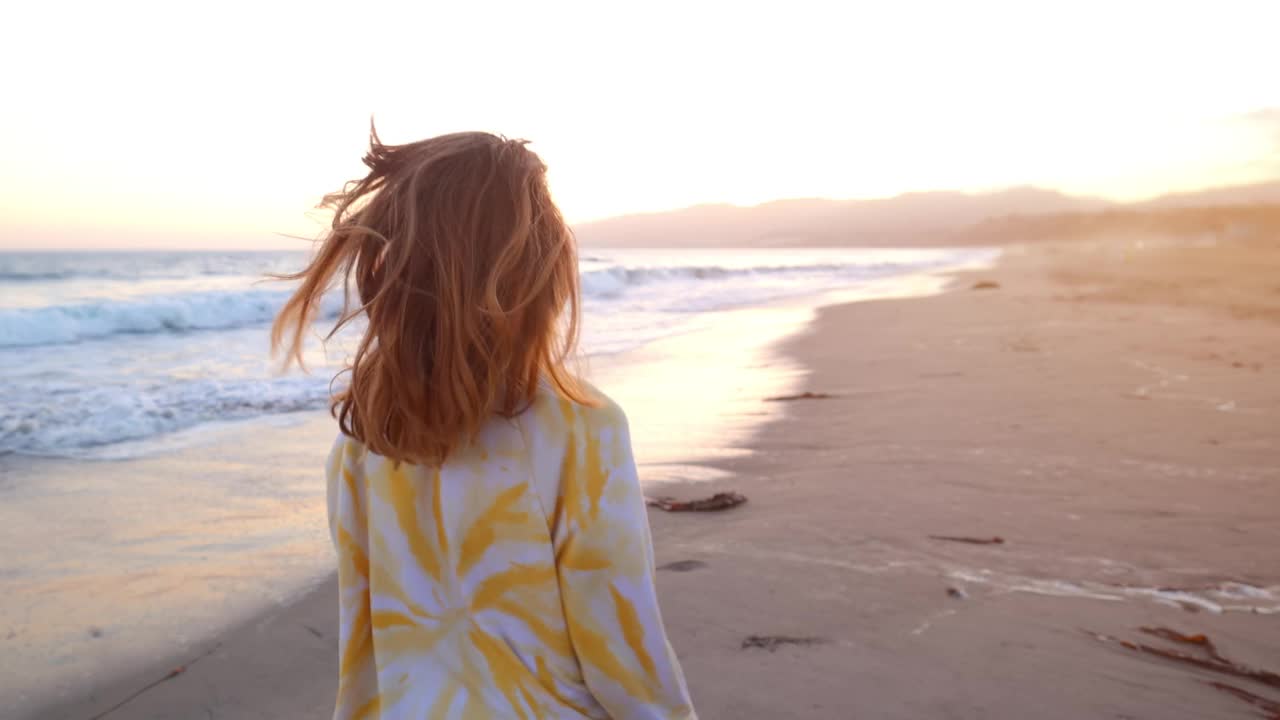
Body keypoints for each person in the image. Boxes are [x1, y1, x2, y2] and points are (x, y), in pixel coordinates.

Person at [271, 128, 696, 719]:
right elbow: (622, 648)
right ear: (540, 273)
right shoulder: (580, 431)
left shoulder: (367, 440)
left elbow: (361, 645)